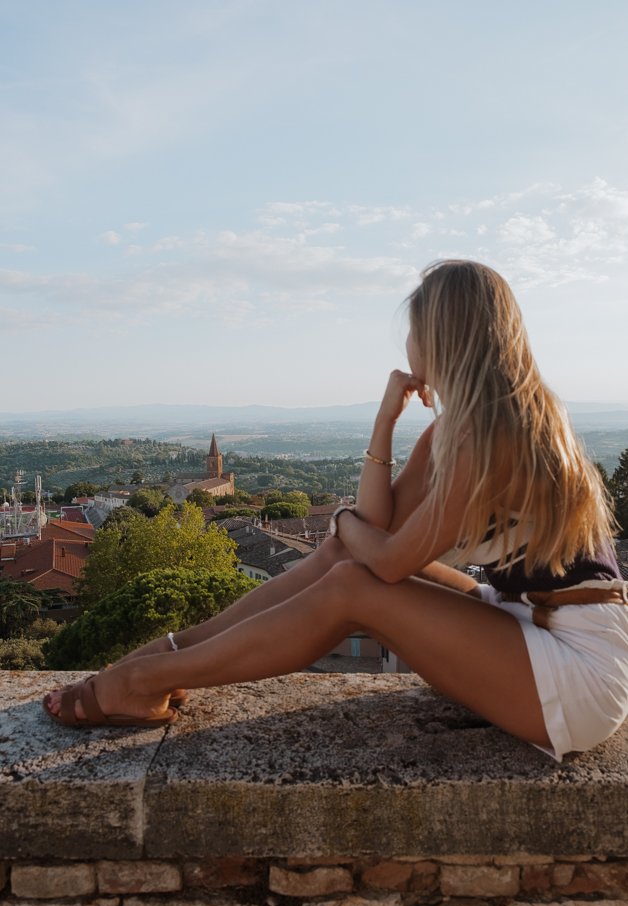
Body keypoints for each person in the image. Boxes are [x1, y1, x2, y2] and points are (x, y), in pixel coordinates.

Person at [44, 259, 628, 762]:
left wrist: (344, 520)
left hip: (575, 668)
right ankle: (178, 649)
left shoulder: (492, 431)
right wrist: (384, 422)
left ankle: (147, 678)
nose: (408, 345)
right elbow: (378, 528)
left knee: (354, 579)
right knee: (344, 553)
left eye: (415, 330)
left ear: (442, 336)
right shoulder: (465, 426)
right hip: (523, 622)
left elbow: (391, 560)